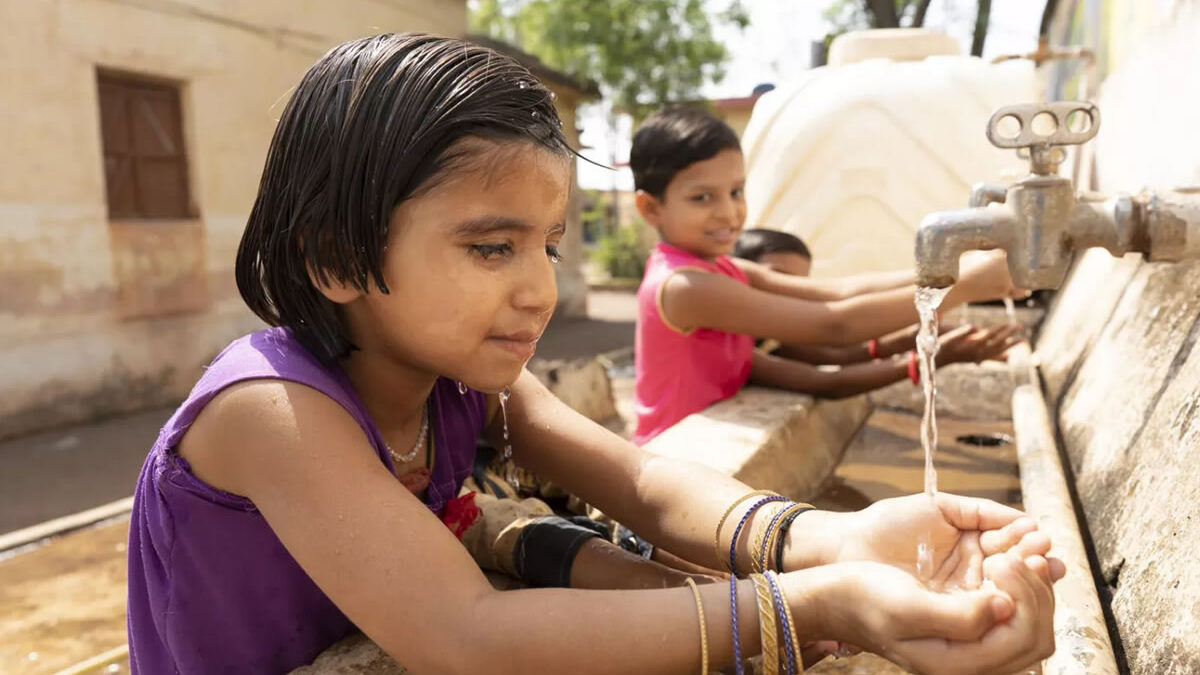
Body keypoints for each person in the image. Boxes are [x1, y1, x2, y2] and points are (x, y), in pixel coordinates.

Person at [126, 34, 1061, 674]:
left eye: (550, 244)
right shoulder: (271, 412)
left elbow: (646, 485)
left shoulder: (463, 380)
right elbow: (473, 634)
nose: (537, 288)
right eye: (492, 247)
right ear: (334, 256)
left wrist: (836, 538)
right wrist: (816, 607)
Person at [630, 106, 1026, 444]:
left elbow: (836, 292)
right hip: (671, 462)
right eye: (702, 197)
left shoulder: (721, 269)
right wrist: (965, 285)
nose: (729, 213)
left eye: (736, 191)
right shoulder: (685, 286)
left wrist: (952, 267)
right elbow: (834, 326)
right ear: (650, 209)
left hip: (704, 452)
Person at [730, 228, 1023, 399]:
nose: (787, 292)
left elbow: (837, 354)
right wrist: (932, 356)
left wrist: (916, 335)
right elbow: (826, 377)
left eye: (797, 285)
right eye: (780, 279)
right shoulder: (733, 339)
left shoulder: (771, 335)